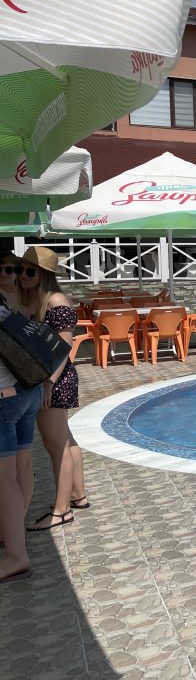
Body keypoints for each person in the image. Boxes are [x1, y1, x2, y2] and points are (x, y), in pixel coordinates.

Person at [18, 247, 86, 532]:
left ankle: (62, 511)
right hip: (49, 379)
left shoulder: (56, 301)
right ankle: (77, 495)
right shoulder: (35, 300)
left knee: (54, 446)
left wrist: (48, 384)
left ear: (44, 275)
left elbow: (64, 347)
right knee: (65, 440)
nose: (22, 276)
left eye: (29, 271)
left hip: (55, 380)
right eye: (20, 270)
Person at [0, 284, 44, 583]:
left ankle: (16, 555)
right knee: (22, 466)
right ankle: (13, 530)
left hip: (4, 398)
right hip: (28, 390)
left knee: (3, 479)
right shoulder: (6, 307)